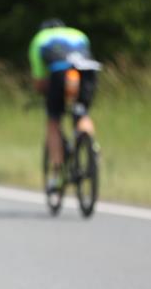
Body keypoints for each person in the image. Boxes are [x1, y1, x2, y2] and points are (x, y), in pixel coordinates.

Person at [29, 18, 99, 191]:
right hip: (87, 70)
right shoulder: (78, 33)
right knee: (81, 113)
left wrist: (47, 94)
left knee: (53, 121)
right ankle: (93, 148)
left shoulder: (39, 39)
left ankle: (57, 173)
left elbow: (39, 82)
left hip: (60, 71)